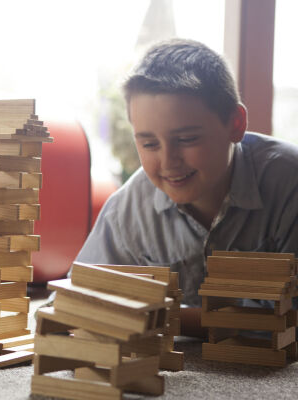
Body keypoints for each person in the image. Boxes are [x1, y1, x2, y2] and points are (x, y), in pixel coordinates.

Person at [77, 39, 298, 336]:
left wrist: (160, 315)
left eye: (187, 139)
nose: (168, 161)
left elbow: (289, 322)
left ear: (236, 123)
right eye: (149, 143)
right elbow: (73, 305)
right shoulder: (127, 210)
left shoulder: (289, 184)